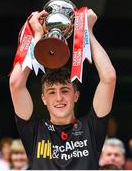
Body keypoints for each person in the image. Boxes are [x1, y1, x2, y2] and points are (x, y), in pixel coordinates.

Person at [9, 9, 116, 169]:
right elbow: (16, 84)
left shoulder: (90, 128)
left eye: (65, 90)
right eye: (52, 92)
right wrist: (37, 37)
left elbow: (109, 78)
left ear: (76, 95)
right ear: (44, 99)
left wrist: (88, 32)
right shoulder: (35, 130)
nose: (59, 98)